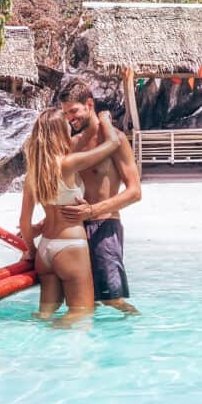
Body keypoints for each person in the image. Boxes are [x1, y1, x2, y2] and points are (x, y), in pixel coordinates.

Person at [19, 107, 120, 322]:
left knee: (45, 315)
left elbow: (24, 222)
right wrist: (105, 120)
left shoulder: (33, 172)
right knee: (81, 313)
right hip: (70, 247)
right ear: (59, 133)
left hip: (45, 250)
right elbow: (112, 144)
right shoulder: (68, 163)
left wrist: (31, 250)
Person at [56, 78, 141, 314]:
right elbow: (67, 192)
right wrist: (43, 224)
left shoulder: (115, 139)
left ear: (89, 104)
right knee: (82, 302)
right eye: (66, 114)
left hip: (105, 227)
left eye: (73, 111)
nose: (70, 118)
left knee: (113, 300)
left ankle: (139, 331)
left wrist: (92, 211)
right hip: (76, 229)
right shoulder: (72, 144)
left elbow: (135, 192)